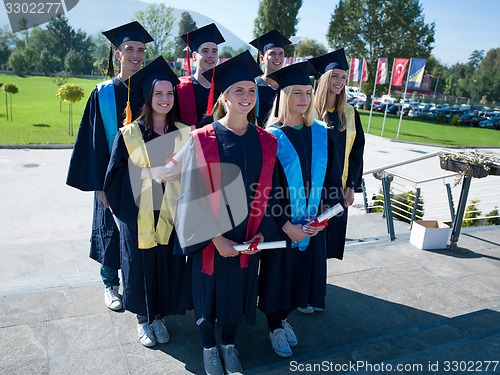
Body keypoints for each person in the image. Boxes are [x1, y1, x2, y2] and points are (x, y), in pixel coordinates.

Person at [175, 50, 278, 375]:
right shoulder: (202, 139)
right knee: (208, 293)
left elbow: (267, 190)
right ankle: (208, 346)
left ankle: (229, 344)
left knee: (238, 291)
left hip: (248, 237)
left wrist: (263, 230)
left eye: (251, 90)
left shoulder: (266, 140)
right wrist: (215, 238)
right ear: (224, 95)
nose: (246, 97)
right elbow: (191, 197)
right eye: (238, 90)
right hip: (211, 240)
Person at [103, 56, 191, 347]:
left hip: (171, 213)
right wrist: (150, 173)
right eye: (158, 93)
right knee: (139, 266)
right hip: (138, 213)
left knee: (166, 265)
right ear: (148, 96)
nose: (164, 99)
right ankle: (143, 319)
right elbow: (114, 178)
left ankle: (160, 316)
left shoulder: (184, 133)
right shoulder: (130, 134)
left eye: (169, 93)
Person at [66, 21, 153, 311]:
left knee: (140, 235)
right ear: (118, 54)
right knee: (110, 232)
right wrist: (100, 186)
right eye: (129, 49)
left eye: (141, 49)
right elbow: (92, 144)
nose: (136, 55)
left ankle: (138, 286)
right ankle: (110, 283)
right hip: (110, 180)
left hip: (146, 179)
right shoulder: (102, 93)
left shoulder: (153, 90)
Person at [260, 61, 329, 358]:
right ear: (283, 96)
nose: (303, 99)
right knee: (278, 276)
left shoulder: (320, 133)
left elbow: (331, 178)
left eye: (308, 92)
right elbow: (265, 188)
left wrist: (322, 215)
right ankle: (274, 325)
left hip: (312, 223)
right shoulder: (271, 136)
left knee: (301, 277)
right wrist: (286, 224)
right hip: (282, 224)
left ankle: (285, 317)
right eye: (297, 92)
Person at [309, 48, 365, 293]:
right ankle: (306, 292)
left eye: (343, 78)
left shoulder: (350, 114)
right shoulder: (307, 110)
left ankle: (315, 292)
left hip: (337, 189)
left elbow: (357, 152)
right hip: (311, 189)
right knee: (309, 241)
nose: (339, 82)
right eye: (334, 76)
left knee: (324, 244)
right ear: (323, 79)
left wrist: (352, 186)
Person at [176, 23, 225, 127]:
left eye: (214, 51)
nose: (210, 55)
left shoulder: (224, 89)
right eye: (205, 51)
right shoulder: (180, 88)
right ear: (194, 56)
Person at [248, 30, 291, 127]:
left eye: (281, 54)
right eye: (272, 53)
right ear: (262, 59)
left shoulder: (288, 87)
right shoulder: (253, 87)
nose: (277, 57)